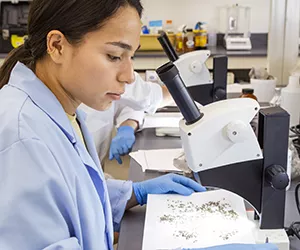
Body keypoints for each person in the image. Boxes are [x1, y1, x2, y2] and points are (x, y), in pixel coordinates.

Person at [0, 1, 277, 250]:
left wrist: (133, 193)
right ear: (57, 46)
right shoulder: (23, 138)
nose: (130, 76)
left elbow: (67, 195)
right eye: (113, 56)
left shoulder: (62, 110)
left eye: (131, 56)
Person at [81, 71, 172, 165]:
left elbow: (129, 103)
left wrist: (128, 125)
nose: (130, 77)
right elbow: (152, 97)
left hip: (94, 170)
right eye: (114, 57)